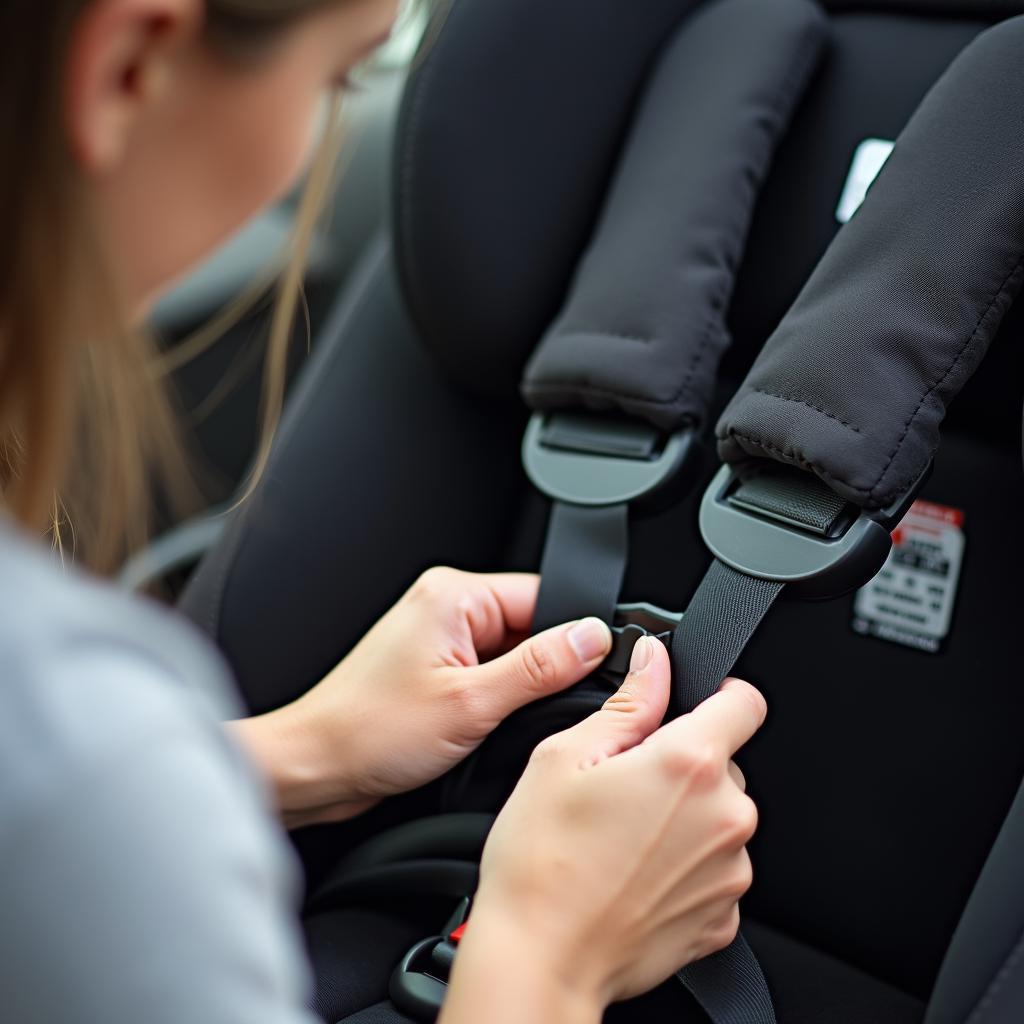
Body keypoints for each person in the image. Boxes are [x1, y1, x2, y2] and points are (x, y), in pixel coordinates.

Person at [0, 1, 768, 1022]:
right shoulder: (80, 748)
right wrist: (547, 951)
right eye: (340, 80)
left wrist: (299, 751)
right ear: (131, 65)